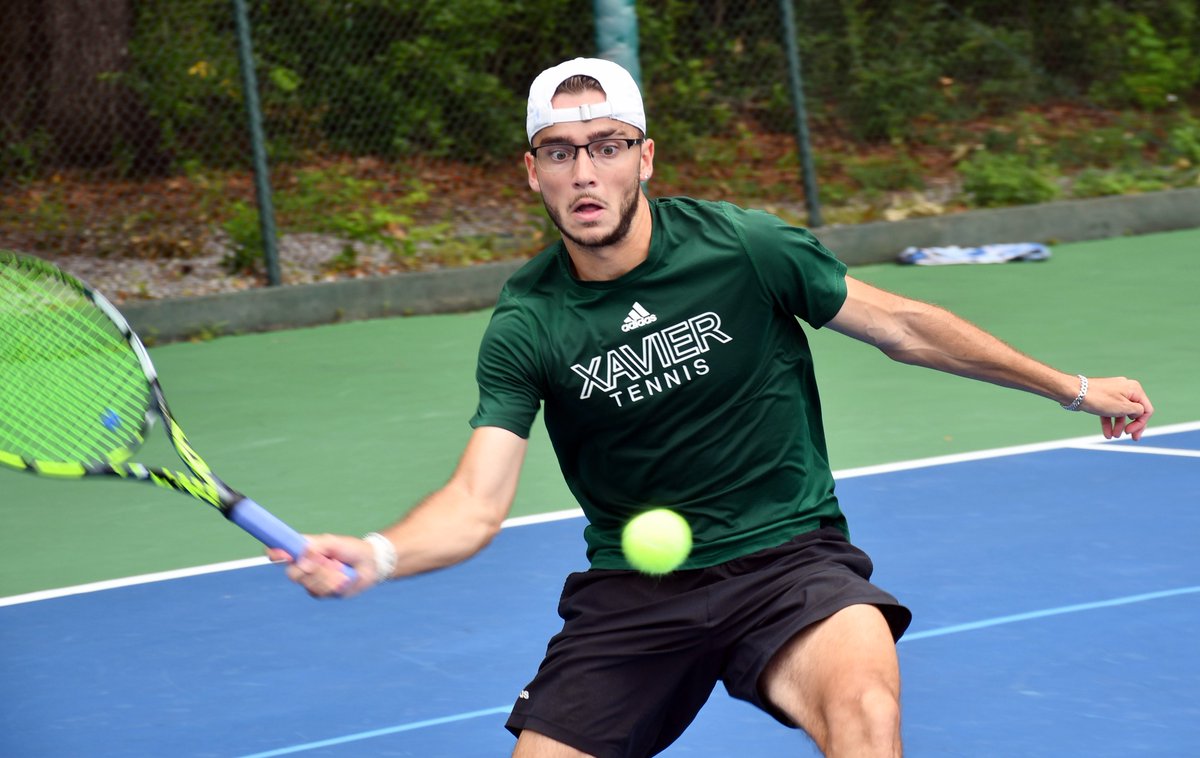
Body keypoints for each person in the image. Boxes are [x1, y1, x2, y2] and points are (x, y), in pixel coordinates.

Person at [275, 57, 1154, 757]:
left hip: (790, 566)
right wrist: (380, 553)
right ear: (533, 172)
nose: (586, 170)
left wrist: (1071, 388)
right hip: (636, 594)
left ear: (645, 157)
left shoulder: (743, 249)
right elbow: (476, 504)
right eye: (560, 150)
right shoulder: (528, 323)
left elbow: (907, 326)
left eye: (608, 144)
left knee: (865, 712)